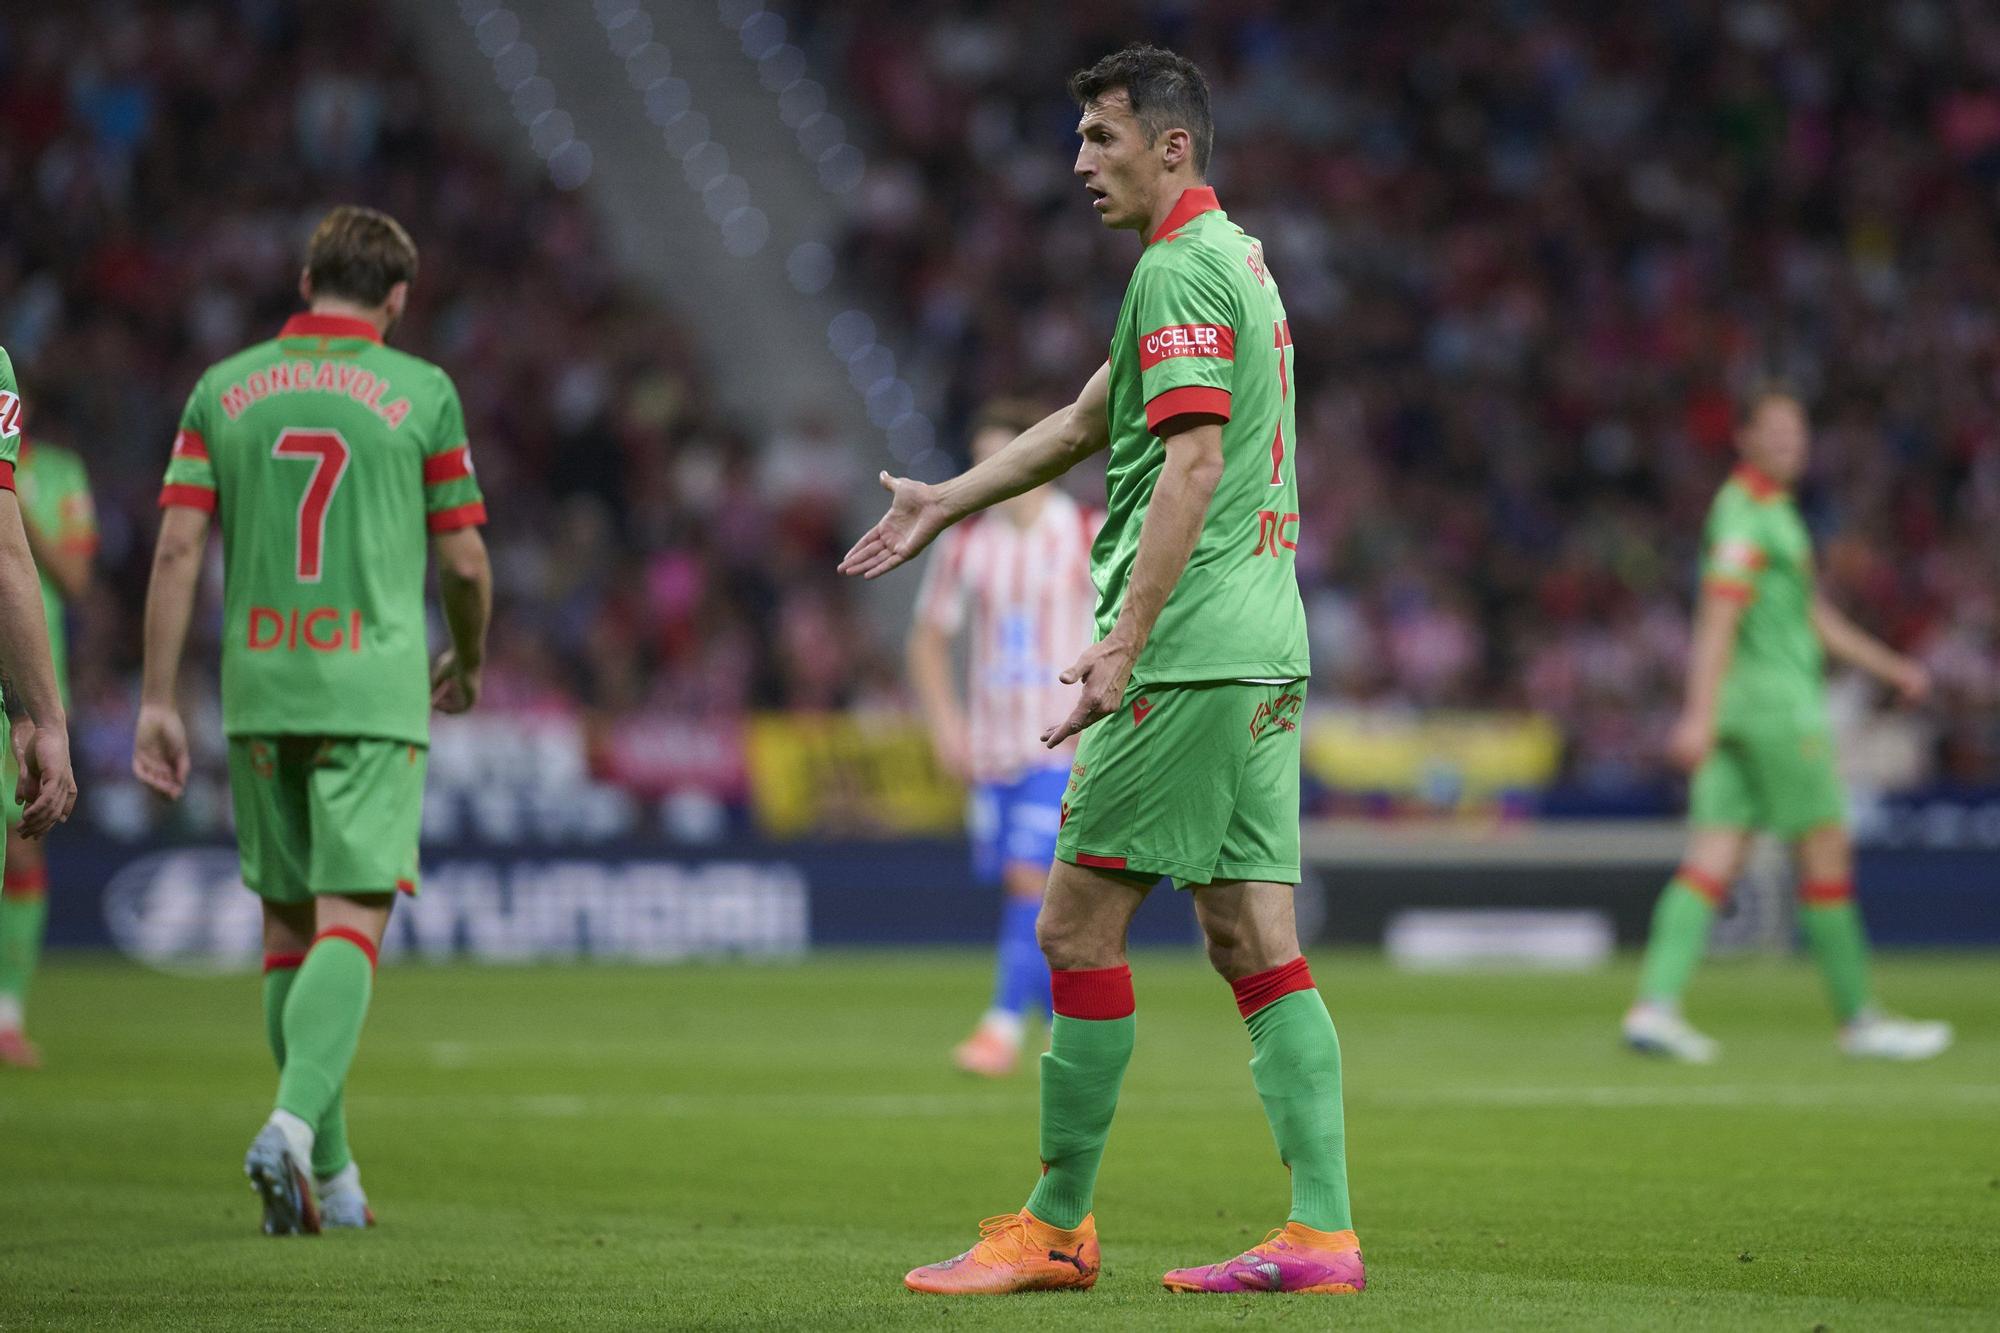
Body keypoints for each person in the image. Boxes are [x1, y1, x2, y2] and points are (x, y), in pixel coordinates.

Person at [843, 44, 1362, 1297]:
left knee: (1072, 924)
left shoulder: (1177, 270)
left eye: (1100, 137)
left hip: (1186, 655)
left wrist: (1122, 640)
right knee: (1251, 933)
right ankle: (1319, 1234)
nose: (1078, 161)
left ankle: (1056, 1224)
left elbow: (1190, 463)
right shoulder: (1232, 257)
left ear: (1169, 146)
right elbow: (1087, 421)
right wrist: (945, 501)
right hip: (1260, 645)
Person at [133, 206, 493, 1234]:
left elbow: (177, 549)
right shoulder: (422, 391)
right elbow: (466, 561)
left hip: (259, 691)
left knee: (288, 929)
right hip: (371, 692)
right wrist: (468, 659)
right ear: (397, 298)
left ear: (304, 281)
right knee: (353, 919)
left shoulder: (222, 388)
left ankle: (331, 1182)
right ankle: (292, 1128)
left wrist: (158, 697)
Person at [1623, 385, 1952, 1063]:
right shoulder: (1748, 513)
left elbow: (1811, 616)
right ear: (1742, 438)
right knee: (1825, 852)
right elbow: (1718, 616)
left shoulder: (1770, 510)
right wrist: (1694, 715)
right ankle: (1859, 1019)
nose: (1788, 444)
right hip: (1778, 711)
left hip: (1741, 713)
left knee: (1713, 857)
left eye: (1796, 433)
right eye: (1774, 432)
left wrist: (1892, 667)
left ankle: (1655, 1007)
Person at [908, 399, 1100, 1077]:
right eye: (980, 459)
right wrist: (946, 724)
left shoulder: (1085, 532)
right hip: (991, 749)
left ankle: (999, 1027)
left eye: (1002, 455)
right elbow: (928, 638)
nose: (990, 471)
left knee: (1028, 877)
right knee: (1027, 890)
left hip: (1063, 745)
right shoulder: (965, 543)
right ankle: (1068, 1031)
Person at [0, 420, 96, 1068]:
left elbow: (75, 578)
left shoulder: (61, 473)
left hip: (30, 689)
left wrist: (12, 511)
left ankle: (8, 1012)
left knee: (20, 845)